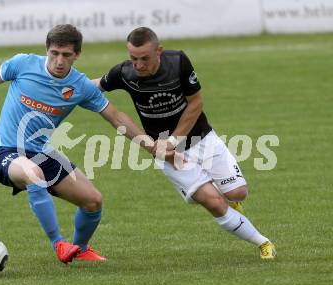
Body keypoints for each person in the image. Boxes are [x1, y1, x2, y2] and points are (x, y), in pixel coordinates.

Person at [0, 24, 154, 264]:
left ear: (77, 55)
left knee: (93, 201)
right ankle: (58, 244)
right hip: (4, 153)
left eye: (66, 55)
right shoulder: (24, 64)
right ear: (47, 50)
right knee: (33, 173)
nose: (59, 61)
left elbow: (116, 116)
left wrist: (151, 146)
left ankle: (79, 249)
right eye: (54, 53)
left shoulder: (80, 86)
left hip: (41, 153)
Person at [92, 27, 276, 259]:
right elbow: (95, 85)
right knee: (215, 202)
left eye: (144, 58)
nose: (138, 65)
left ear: (159, 51)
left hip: (202, 139)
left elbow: (196, 102)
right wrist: (65, 87)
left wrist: (172, 140)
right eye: (133, 58)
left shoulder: (178, 62)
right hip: (167, 155)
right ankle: (264, 243)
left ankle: (229, 196)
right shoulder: (124, 73)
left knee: (238, 193)